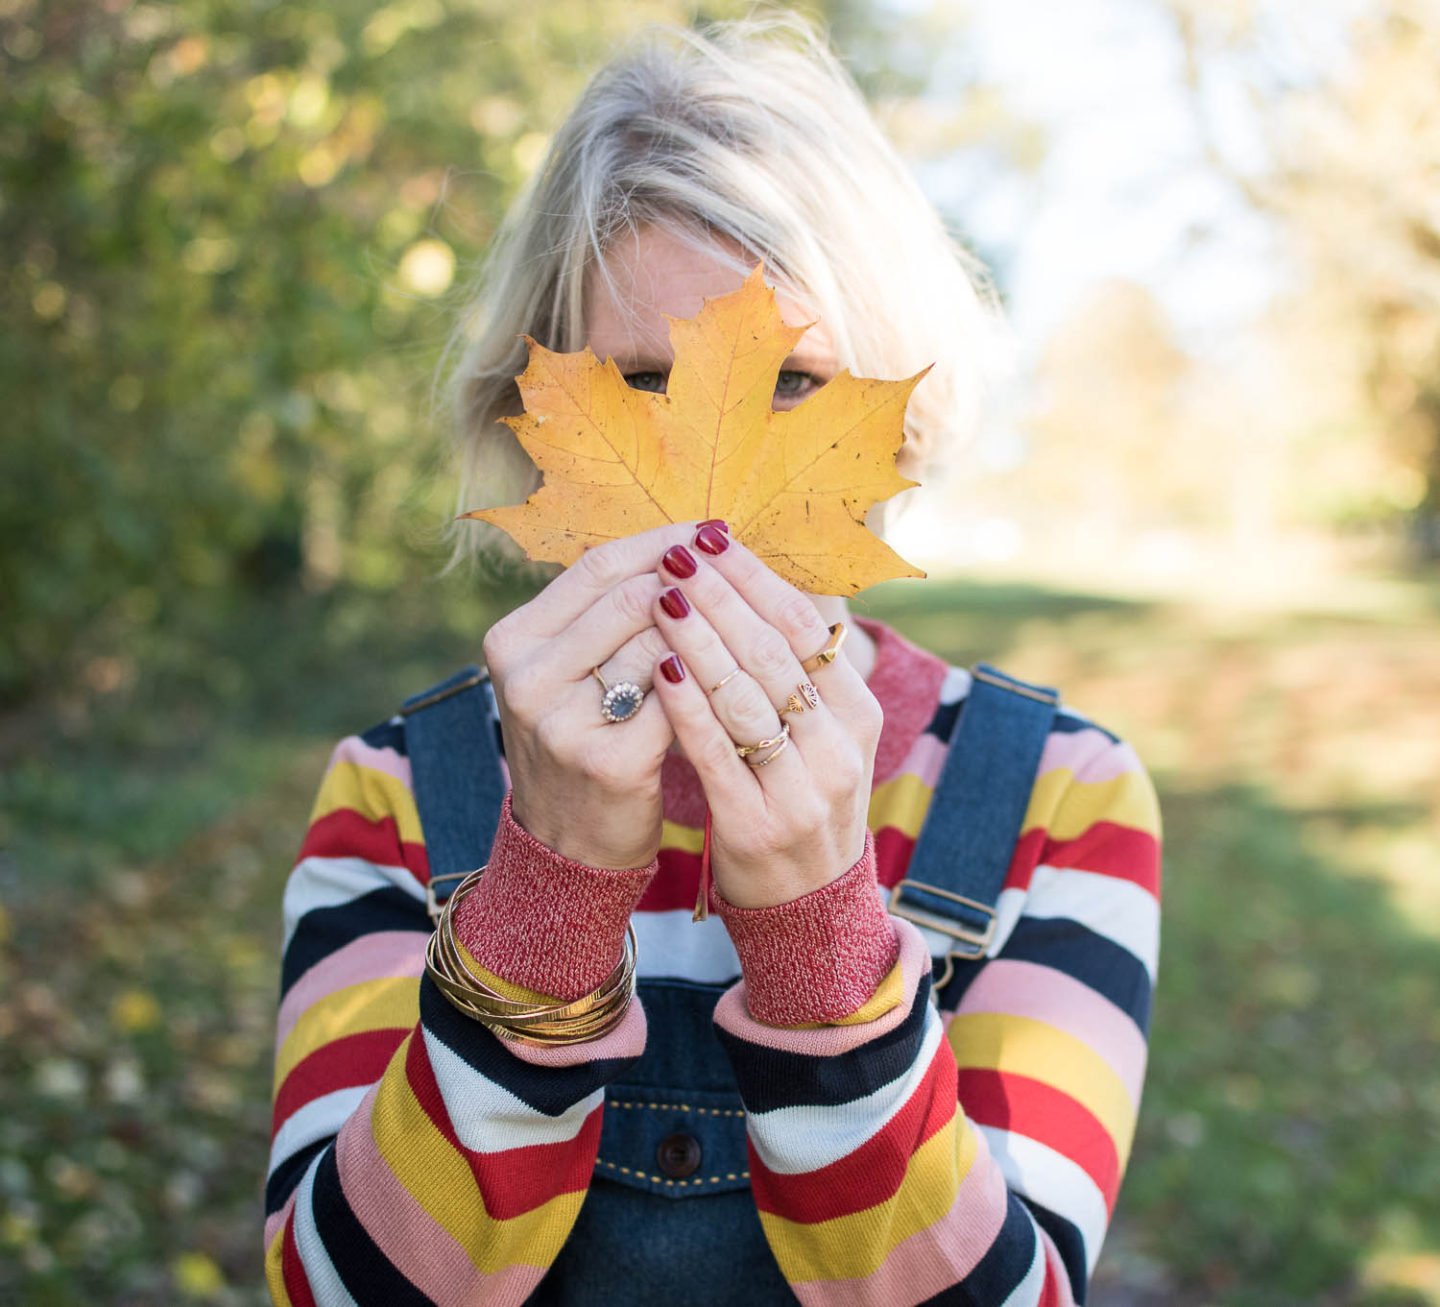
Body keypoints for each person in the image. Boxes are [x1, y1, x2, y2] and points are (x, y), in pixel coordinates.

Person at [264, 16, 1161, 1306]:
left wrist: (817, 931)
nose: (712, 508)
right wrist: (550, 891)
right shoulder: (402, 792)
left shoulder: (1052, 800)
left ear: (898, 431)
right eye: (635, 381)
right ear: (537, 432)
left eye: (793, 383)